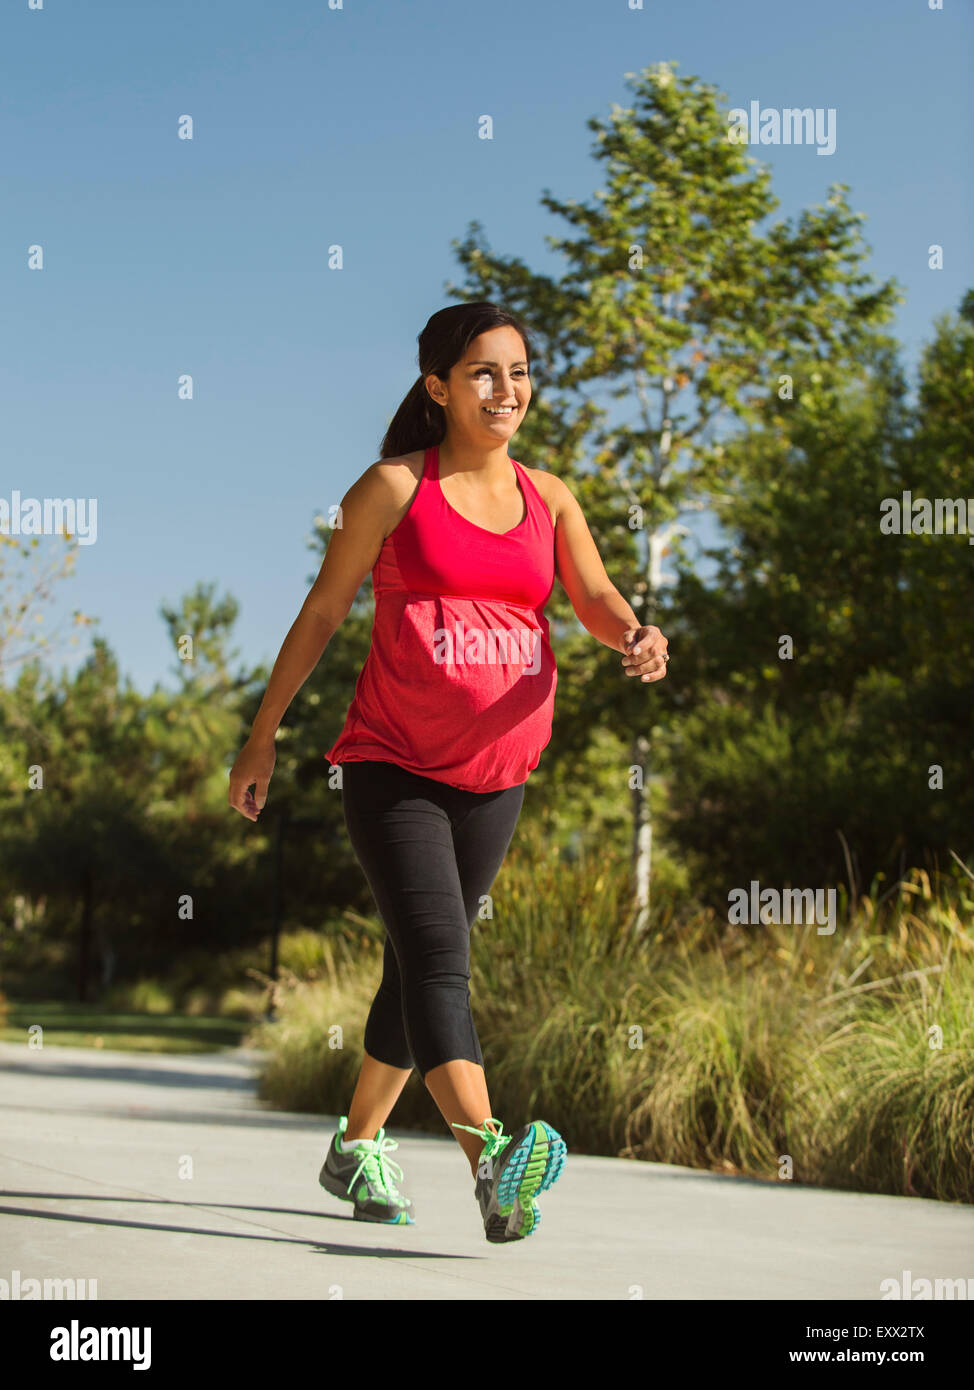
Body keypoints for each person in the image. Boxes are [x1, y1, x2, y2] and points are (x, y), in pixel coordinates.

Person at [228, 302, 670, 1243]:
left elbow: (590, 593)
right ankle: (494, 1165)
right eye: (483, 373)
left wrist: (634, 632)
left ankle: (354, 1147)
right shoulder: (393, 487)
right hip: (392, 763)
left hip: (497, 772)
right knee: (440, 959)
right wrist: (264, 733)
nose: (507, 390)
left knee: (413, 964)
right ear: (438, 387)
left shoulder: (547, 496)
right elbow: (321, 614)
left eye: (518, 371)